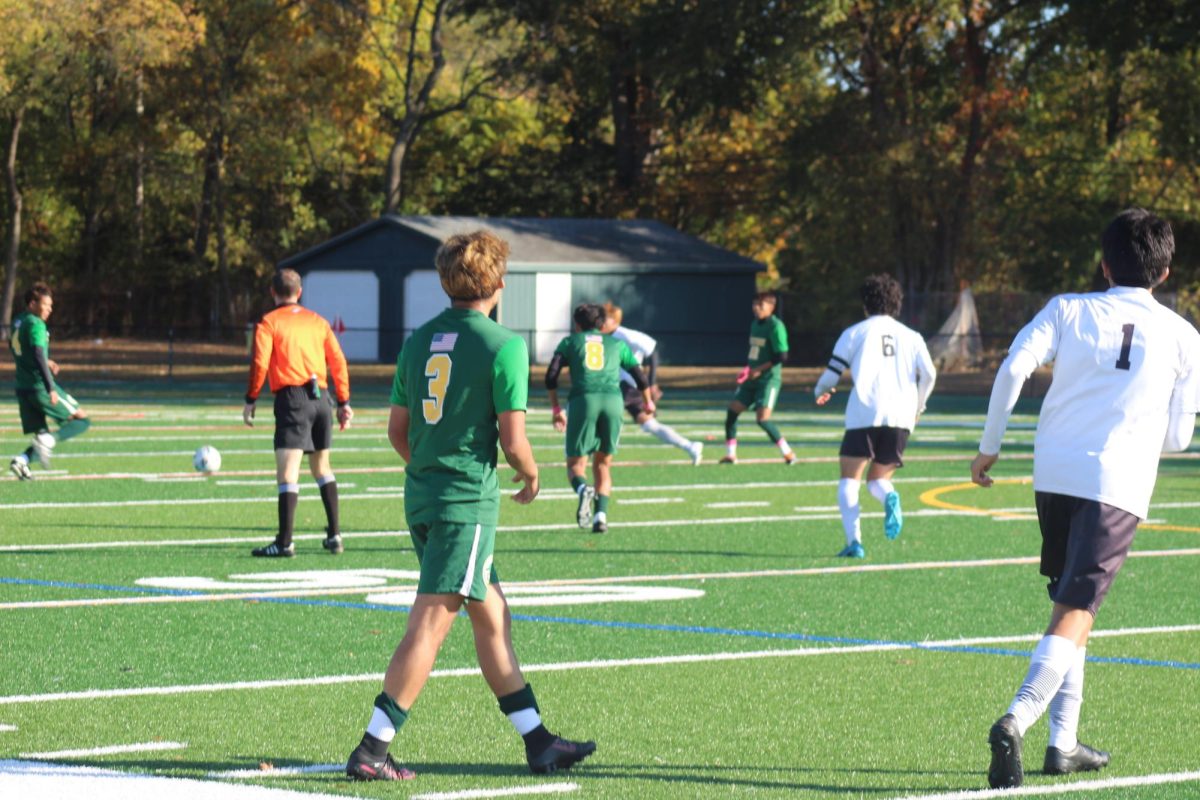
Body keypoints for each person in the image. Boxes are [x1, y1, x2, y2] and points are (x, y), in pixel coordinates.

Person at [344, 231, 595, 781]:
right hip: (464, 503)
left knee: (493, 617)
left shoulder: (418, 341)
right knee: (432, 623)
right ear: (500, 283)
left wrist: (432, 469)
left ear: (444, 281)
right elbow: (513, 440)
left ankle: (538, 740)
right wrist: (531, 474)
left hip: (424, 495)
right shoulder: (502, 344)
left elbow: (397, 430)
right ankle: (373, 748)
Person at [970, 208, 1200, 789]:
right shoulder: (1184, 336)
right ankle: (1017, 718)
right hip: (1115, 482)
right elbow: (1177, 438)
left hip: (1053, 474)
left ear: (1103, 264)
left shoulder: (1068, 308)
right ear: (1165, 272)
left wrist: (990, 445)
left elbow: (1012, 368)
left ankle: (1063, 742)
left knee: (1071, 609)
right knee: (1076, 609)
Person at [813, 274, 936, 558]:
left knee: (849, 479)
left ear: (865, 304)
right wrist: (918, 406)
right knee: (878, 479)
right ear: (897, 305)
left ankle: (854, 542)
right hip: (901, 416)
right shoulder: (912, 336)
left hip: (864, 413)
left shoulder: (854, 333)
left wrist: (820, 392)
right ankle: (889, 496)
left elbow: (831, 377)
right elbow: (929, 374)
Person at [244, 268, 352, 557]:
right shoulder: (317, 321)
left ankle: (285, 542)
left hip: (292, 398)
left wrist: (251, 397)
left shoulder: (269, 322)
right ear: (299, 292)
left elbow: (260, 362)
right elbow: (338, 361)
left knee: (288, 473)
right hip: (321, 399)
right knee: (322, 468)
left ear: (272, 292)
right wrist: (343, 401)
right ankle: (335, 535)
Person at [546, 303, 653, 533]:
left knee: (576, 465)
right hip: (614, 402)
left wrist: (556, 408)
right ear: (602, 324)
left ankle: (583, 489)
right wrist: (648, 400)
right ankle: (600, 517)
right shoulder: (616, 344)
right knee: (603, 463)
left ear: (577, 325)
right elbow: (639, 376)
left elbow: (551, 375)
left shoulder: (570, 342)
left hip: (584, 400)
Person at [600, 301, 703, 465]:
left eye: (602, 319)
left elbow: (652, 350)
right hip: (622, 385)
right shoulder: (604, 337)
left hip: (628, 386)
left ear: (613, 321)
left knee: (603, 411)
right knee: (649, 425)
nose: (599, 323)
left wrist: (652, 383)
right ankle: (690, 446)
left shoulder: (625, 334)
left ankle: (604, 450)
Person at [8, 282, 91, 480]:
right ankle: (49, 441)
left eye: (50, 305)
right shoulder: (36, 323)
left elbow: (23, 351)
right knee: (82, 420)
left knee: (41, 435)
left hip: (22, 387)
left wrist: (46, 360)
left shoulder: (18, 321)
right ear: (32, 303)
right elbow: (37, 352)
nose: (49, 309)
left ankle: (22, 460)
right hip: (39, 387)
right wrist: (50, 387)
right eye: (45, 305)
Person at [720, 291, 796, 465]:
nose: (756, 308)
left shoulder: (776, 326)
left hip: (768, 380)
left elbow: (782, 356)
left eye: (760, 305)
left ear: (771, 307)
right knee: (732, 412)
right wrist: (748, 369)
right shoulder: (755, 324)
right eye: (754, 304)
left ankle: (788, 453)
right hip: (752, 379)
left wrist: (759, 370)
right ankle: (731, 455)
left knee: (762, 419)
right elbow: (756, 352)